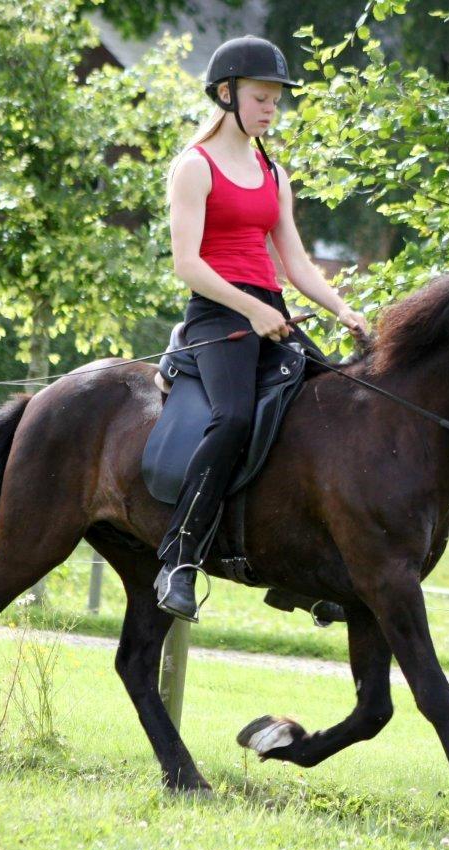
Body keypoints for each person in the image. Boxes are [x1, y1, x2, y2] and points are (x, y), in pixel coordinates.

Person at [155, 35, 369, 623]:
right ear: (226, 94)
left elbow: (296, 263)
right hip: (218, 314)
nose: (271, 108)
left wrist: (342, 310)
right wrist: (249, 310)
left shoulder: (272, 171)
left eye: (276, 99)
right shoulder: (193, 167)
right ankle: (179, 557)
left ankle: (311, 573)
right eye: (261, 97)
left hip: (270, 309)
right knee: (235, 418)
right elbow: (187, 263)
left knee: (334, 407)